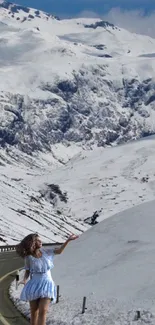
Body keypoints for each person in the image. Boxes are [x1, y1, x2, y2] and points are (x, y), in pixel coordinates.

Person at [16, 233, 78, 325]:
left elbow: (59, 251)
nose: (41, 241)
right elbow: (28, 271)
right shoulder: (28, 258)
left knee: (43, 311)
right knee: (34, 312)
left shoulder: (46, 252)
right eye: (37, 240)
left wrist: (68, 240)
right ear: (32, 243)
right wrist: (24, 280)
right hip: (34, 285)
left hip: (47, 284)